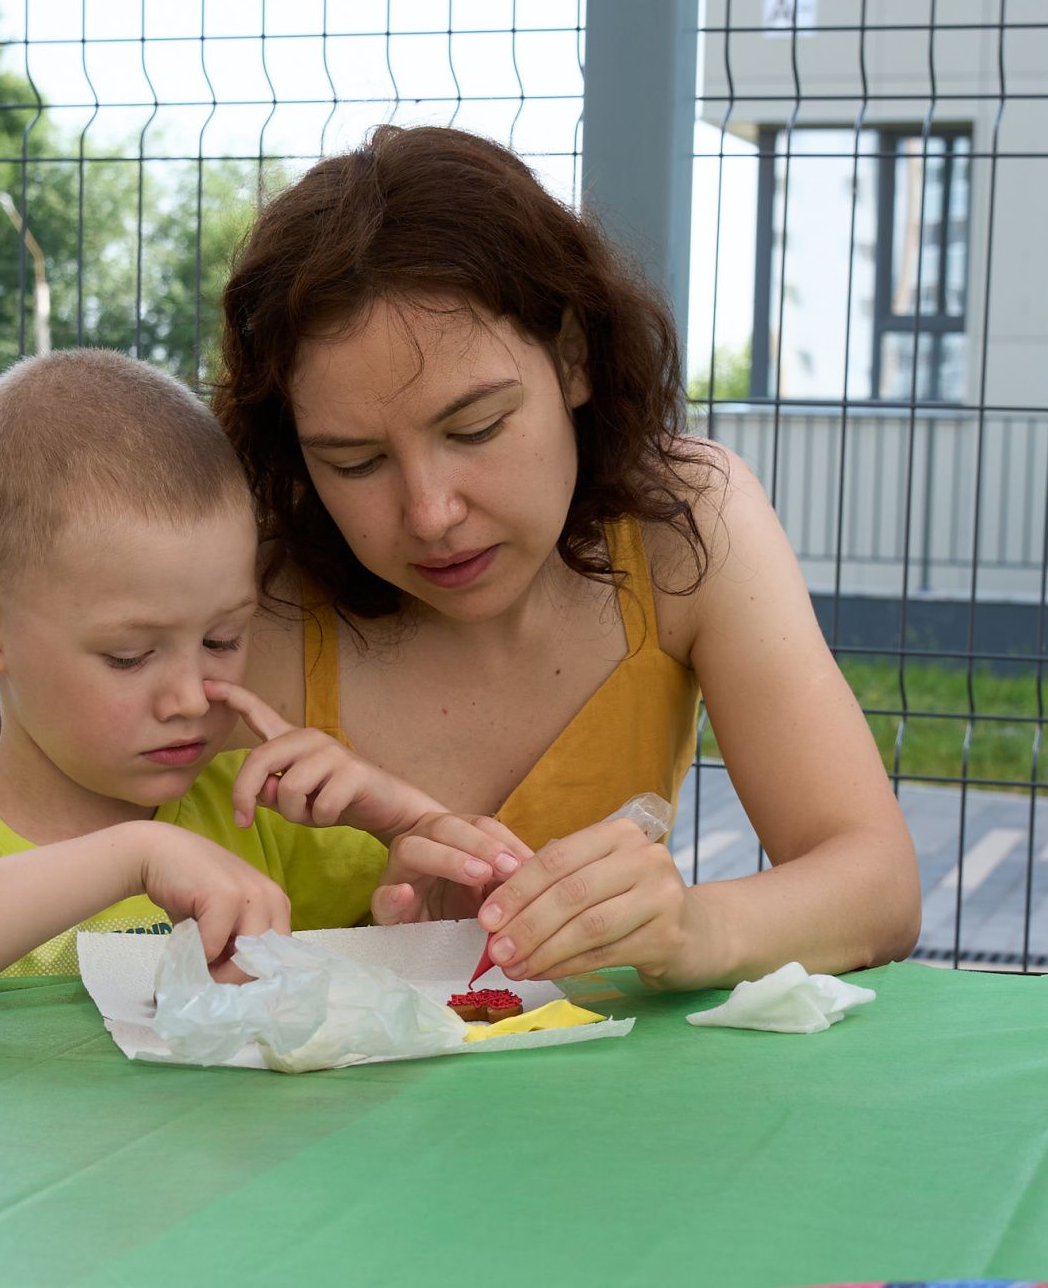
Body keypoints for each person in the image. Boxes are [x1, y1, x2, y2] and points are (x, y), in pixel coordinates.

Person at [213, 125, 922, 993]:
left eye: (476, 428)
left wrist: (699, 927)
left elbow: (879, 884)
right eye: (353, 462)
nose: (431, 514)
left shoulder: (685, 523)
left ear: (575, 358)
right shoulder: (246, 602)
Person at [0, 349, 498, 1038]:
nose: (192, 697)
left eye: (223, 640)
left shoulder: (256, 818)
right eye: (129, 656)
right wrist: (130, 853)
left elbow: (459, 939)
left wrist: (406, 823)